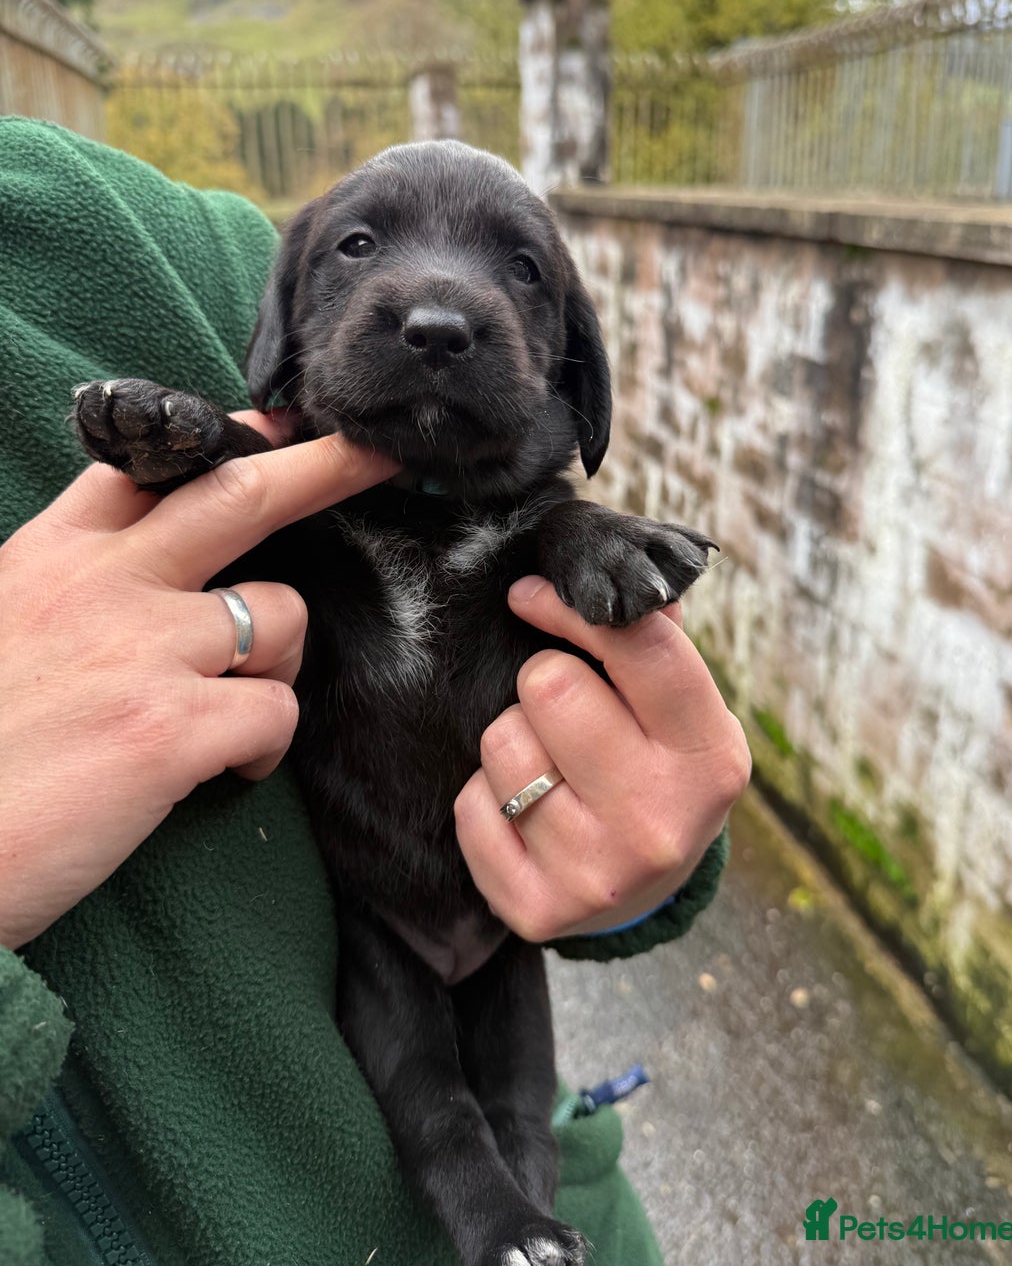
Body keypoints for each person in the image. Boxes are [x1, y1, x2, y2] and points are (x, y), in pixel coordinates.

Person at [0, 117, 751, 1266]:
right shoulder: (302, 512)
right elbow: (232, 519)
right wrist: (198, 450)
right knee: (431, 1095)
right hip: (370, 930)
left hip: (504, 922)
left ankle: (536, 1236)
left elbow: (641, 787)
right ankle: (502, 1234)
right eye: (360, 247)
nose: (439, 305)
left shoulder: (127, 234)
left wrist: (651, 866)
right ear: (286, 323)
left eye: (519, 270)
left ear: (572, 367)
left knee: (520, 1108)